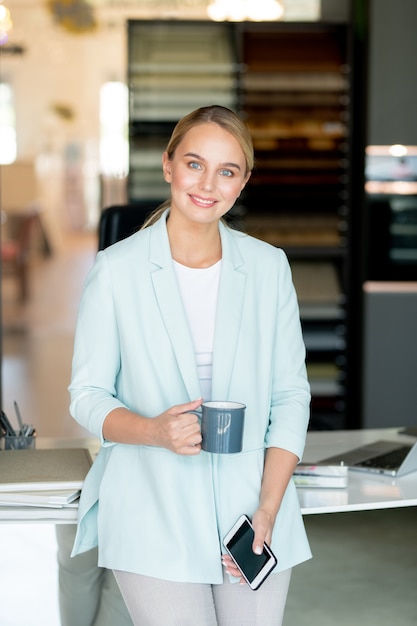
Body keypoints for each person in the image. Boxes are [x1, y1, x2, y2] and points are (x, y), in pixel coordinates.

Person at [69, 104, 312, 626]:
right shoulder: (117, 271)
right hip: (151, 502)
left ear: (243, 181)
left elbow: (291, 395)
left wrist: (267, 509)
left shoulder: (269, 268)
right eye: (194, 163)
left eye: (227, 170)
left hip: (252, 510)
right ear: (168, 165)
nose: (207, 184)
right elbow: (87, 396)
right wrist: (154, 431)